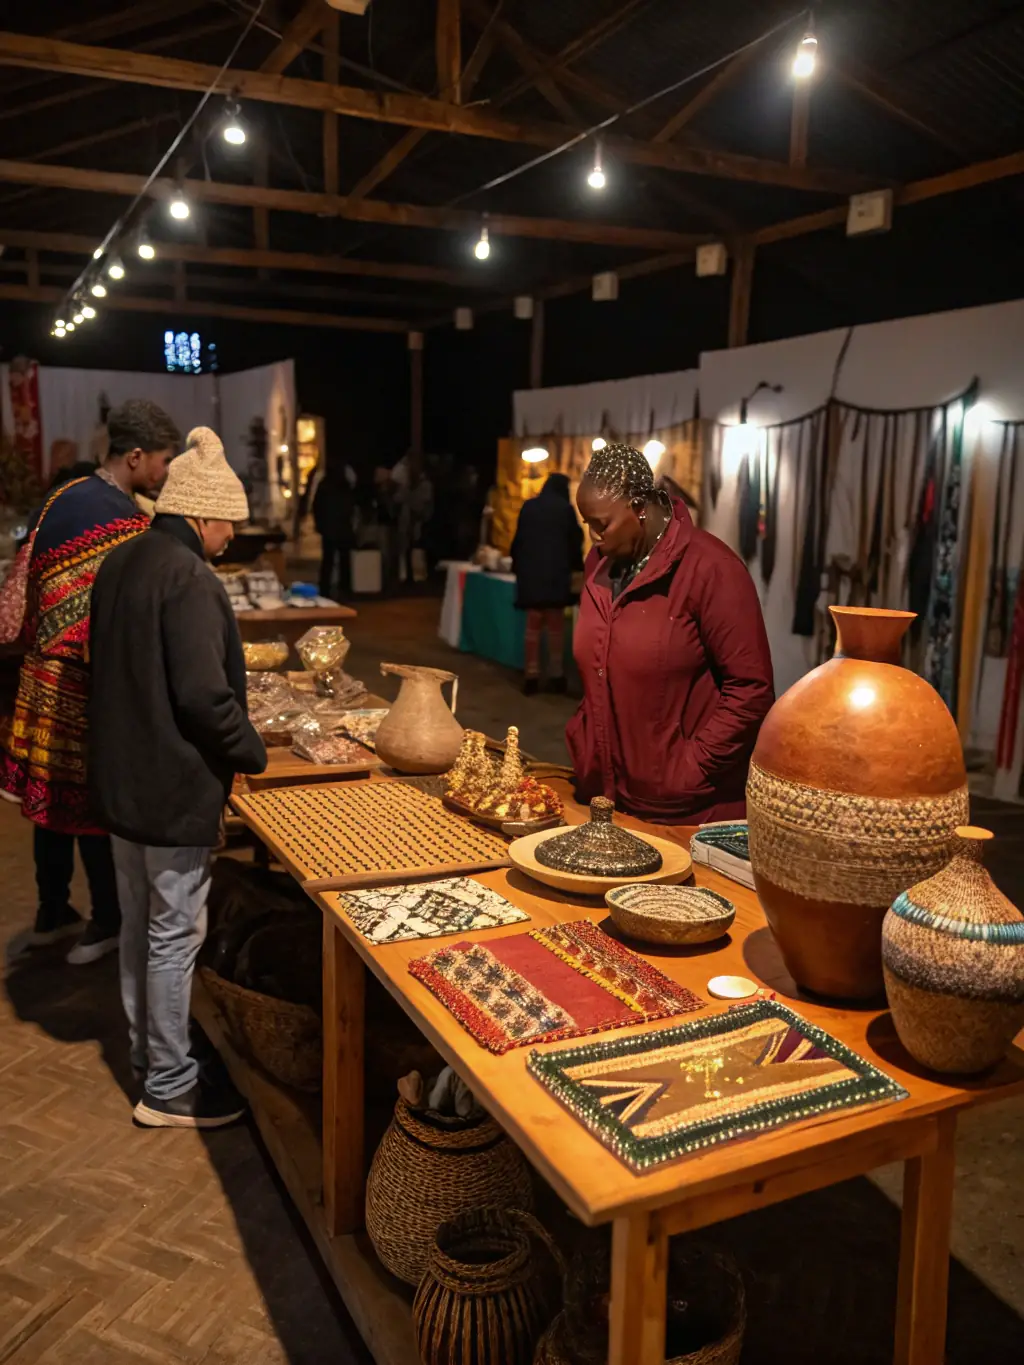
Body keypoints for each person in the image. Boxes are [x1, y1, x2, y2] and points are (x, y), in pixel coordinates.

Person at [89, 427, 266, 1128]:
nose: (232, 538)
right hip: (169, 786)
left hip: (124, 781)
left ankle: (148, 1050)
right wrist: (250, 751)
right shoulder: (189, 577)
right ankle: (167, 1081)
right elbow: (202, 694)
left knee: (141, 926)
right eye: (229, 525)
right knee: (171, 933)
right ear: (203, 515)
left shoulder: (122, 559)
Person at [0, 399, 179, 963]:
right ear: (135, 455)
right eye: (163, 461)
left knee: (51, 798)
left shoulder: (61, 498)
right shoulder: (126, 522)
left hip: (41, 676)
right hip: (84, 681)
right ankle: (107, 922)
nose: (165, 472)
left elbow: (21, 587)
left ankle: (53, 911)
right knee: (95, 803)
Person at [568, 444, 774, 824]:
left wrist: (688, 768)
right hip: (604, 798)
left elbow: (751, 689)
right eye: (587, 524)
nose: (594, 536)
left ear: (640, 507)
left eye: (602, 523)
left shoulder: (712, 570)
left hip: (683, 813)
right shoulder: (600, 565)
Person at [511, 473, 584, 696]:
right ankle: (556, 675)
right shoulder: (565, 509)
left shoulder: (529, 507)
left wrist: (519, 568)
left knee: (532, 627)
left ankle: (531, 676)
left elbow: (518, 541)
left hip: (532, 576)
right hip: (556, 577)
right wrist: (578, 569)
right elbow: (575, 543)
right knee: (555, 627)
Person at [312, 465, 355, 599]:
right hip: (343, 528)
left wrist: (319, 525)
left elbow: (316, 506)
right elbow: (350, 507)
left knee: (328, 560)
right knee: (344, 560)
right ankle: (345, 587)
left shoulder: (324, 485)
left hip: (328, 529)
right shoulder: (345, 485)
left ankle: (325, 588)